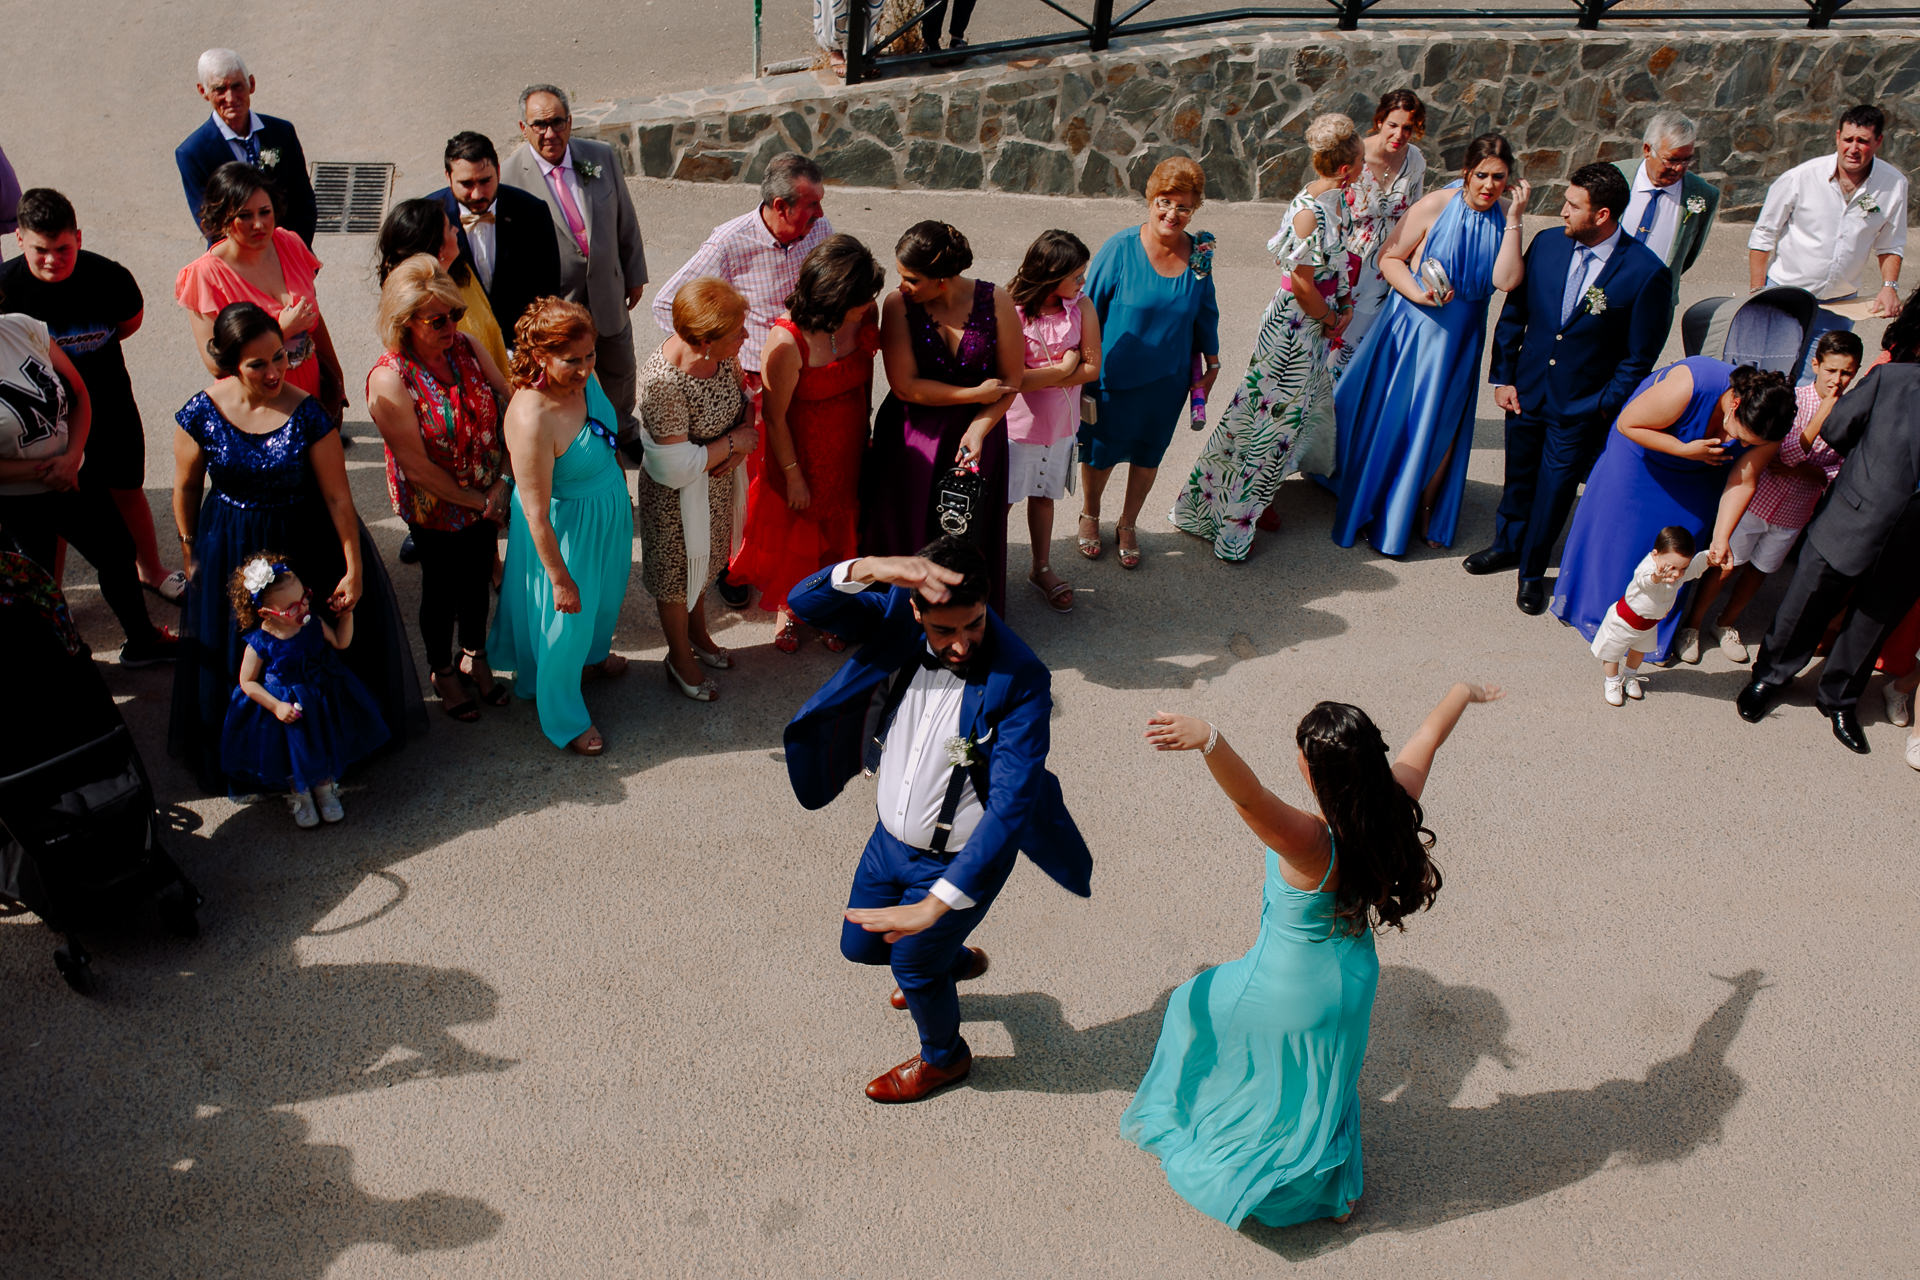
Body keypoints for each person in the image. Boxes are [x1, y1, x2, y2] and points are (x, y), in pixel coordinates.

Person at [1121, 682, 1502, 1228]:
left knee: (1192, 1003)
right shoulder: (1394, 801)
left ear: (1312, 770)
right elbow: (1428, 738)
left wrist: (1210, 740)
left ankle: (1241, 1157)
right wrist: (1463, 692)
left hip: (1287, 984)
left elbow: (1249, 795)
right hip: (1351, 978)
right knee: (1326, 1080)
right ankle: (1335, 1190)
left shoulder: (1308, 840)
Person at [783, 538, 1093, 1102]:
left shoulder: (1022, 678)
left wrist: (938, 902)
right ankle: (950, 956)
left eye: (972, 626)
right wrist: (872, 566)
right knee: (861, 948)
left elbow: (1009, 806)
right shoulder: (896, 620)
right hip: (888, 844)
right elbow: (805, 603)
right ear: (915, 611)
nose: (959, 645)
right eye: (942, 631)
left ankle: (945, 1058)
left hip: (958, 858)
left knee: (913, 966)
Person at [171, 303, 422, 792]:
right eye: (257, 364)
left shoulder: (308, 414)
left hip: (303, 545)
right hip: (231, 546)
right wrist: (188, 550)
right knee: (239, 653)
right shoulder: (201, 412)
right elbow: (184, 487)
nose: (274, 372)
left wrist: (353, 568)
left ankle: (322, 749)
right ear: (229, 363)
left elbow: (338, 498)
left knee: (311, 660)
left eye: (279, 357)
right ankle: (254, 751)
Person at [1467, 161, 1673, 612]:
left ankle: (1532, 572)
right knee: (1518, 477)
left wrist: (1604, 404)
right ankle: (1507, 545)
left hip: (1580, 406)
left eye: (1573, 205)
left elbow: (1639, 355)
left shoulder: (1646, 273)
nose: (1562, 211)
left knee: (1556, 489)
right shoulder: (1546, 246)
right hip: (1526, 391)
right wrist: (1503, 376)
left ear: (1602, 216)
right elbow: (1515, 314)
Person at [1172, 115, 1361, 560]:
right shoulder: (1308, 214)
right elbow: (1301, 283)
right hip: (1293, 331)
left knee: (1279, 421)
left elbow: (1337, 269)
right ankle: (1233, 522)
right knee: (1268, 426)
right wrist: (1333, 319)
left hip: (1314, 326)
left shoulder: (1336, 201)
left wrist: (1345, 306)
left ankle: (1244, 501)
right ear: (1346, 169)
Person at [650, 152, 833, 609]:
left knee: (797, 472)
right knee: (748, 484)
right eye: (810, 205)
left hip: (807, 374)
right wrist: (710, 355)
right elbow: (666, 304)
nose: (821, 214)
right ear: (780, 205)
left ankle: (787, 561)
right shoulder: (729, 242)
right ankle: (735, 565)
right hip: (751, 379)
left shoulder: (822, 233)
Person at [1331, 134, 1528, 556]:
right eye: (1481, 175)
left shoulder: (1508, 216)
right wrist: (1418, 294)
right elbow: (1389, 257)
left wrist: (1517, 219)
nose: (1488, 185)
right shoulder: (1436, 205)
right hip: (1416, 331)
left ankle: (1423, 504)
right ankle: (1381, 503)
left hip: (1463, 337)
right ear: (1466, 173)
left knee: (1446, 427)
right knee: (1402, 420)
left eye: (1499, 177)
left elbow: (1506, 282)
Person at [1738, 313, 1920, 755]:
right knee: (1806, 602)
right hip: (1852, 517)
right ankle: (1771, 676)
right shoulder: (1893, 380)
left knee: (1871, 622)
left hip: (1913, 538)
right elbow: (1837, 432)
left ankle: (1839, 699)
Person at [2, 188, 185, 602]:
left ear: (79, 238)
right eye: (41, 250)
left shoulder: (108, 277)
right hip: (42, 422)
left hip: (110, 403)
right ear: (19, 239)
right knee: (58, 503)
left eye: (63, 248)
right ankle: (56, 591)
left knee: (127, 489)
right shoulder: (5, 291)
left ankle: (150, 569)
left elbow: (129, 322)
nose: (53, 259)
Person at [1550, 360, 1796, 666]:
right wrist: (1683, 449)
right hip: (1642, 458)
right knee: (1618, 539)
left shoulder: (1772, 425)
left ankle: (1648, 630)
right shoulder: (1692, 384)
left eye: (1750, 444)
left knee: (1677, 552)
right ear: (1735, 403)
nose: (1741, 445)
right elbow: (1629, 424)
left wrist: (1721, 539)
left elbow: (1743, 478)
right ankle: (1594, 610)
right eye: (1742, 436)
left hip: (1702, 475)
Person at [365, 255, 512, 722]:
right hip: (436, 508)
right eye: (437, 319)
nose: (451, 325)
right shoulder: (390, 379)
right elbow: (416, 466)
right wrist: (478, 502)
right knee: (442, 589)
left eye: (455, 314)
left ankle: (476, 654)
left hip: (488, 496)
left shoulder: (467, 347)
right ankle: (443, 669)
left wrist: (503, 483)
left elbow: (509, 404)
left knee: (477, 581)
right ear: (404, 322)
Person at [487, 298, 633, 756]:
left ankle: (592, 661)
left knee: (604, 606)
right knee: (564, 627)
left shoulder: (584, 384)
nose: (586, 369)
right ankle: (564, 715)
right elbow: (533, 513)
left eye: (590, 356)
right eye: (572, 361)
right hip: (566, 533)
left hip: (606, 517)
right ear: (540, 357)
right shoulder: (532, 417)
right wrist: (560, 579)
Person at [729, 234, 886, 647]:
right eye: (862, 298)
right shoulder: (786, 341)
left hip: (848, 443)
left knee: (841, 531)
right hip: (799, 452)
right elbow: (775, 419)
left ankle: (836, 604)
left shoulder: (865, 316)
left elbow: (867, 381)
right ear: (835, 299)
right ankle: (792, 606)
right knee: (799, 534)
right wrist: (794, 475)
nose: (870, 303)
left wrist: (866, 436)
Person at [0, 307, 178, 667]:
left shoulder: (23, 326)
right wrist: (43, 470)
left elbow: (79, 393)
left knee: (117, 552)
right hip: (14, 503)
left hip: (73, 477)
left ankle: (142, 638)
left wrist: (72, 456)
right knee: (37, 589)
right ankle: (61, 666)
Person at [863, 221, 1023, 612]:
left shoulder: (996, 300)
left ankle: (963, 612)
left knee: (967, 528)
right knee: (908, 523)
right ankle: (900, 612)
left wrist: (981, 426)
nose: (902, 286)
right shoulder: (898, 306)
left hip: (979, 433)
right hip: (913, 435)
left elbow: (1011, 379)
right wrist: (974, 394)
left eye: (912, 279)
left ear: (943, 280)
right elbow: (905, 386)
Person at [1676, 330, 1861, 664]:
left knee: (1760, 571)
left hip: (1794, 512)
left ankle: (1726, 622)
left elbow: (1842, 469)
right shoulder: (1791, 402)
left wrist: (1813, 473)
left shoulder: (1853, 416)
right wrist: (1823, 414)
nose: (1838, 380)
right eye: (1832, 370)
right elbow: (1785, 456)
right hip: (1758, 502)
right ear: (1816, 365)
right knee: (1725, 566)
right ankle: (1693, 624)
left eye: (1847, 372)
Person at [1078, 157, 1221, 570]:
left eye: (1183, 207)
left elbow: (1204, 311)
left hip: (1168, 380)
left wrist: (1211, 362)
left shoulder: (1199, 254)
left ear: (1194, 211)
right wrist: (1081, 367)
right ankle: (1091, 514)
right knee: (1101, 452)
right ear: (1150, 199)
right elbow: (1088, 310)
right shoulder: (1119, 249)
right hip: (1113, 377)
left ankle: (1128, 523)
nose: (1172, 214)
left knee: (1148, 455)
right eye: (1165, 201)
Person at [633, 278, 758, 702]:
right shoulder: (665, 383)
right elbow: (673, 466)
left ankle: (699, 635)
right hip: (675, 502)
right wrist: (734, 445)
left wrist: (742, 436)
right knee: (675, 580)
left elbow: (746, 401)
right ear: (704, 340)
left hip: (713, 488)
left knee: (701, 571)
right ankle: (679, 657)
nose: (746, 336)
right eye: (737, 331)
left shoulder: (722, 358)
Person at [501, 85, 649, 427]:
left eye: (557, 122)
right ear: (523, 128)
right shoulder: (508, 177)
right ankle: (575, 436)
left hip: (608, 292)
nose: (550, 133)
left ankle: (621, 428)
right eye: (539, 124)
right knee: (564, 374)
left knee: (619, 367)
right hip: (557, 301)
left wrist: (634, 273)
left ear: (570, 122)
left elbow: (624, 217)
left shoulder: (599, 157)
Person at [221, 554, 389, 828]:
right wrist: (276, 706)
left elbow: (340, 642)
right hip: (284, 702)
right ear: (266, 613)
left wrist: (346, 615)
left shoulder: (312, 624)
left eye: (304, 600)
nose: (302, 609)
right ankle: (300, 796)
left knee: (322, 741)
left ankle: (325, 789)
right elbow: (247, 682)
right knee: (294, 751)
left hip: (319, 695)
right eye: (291, 608)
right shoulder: (260, 641)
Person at [1749, 103, 1908, 380]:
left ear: (1878, 141)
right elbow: (1763, 234)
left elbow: (1891, 244)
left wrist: (1889, 287)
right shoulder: (1800, 178)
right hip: (1786, 294)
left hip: (1839, 305)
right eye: (1848, 139)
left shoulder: (1894, 184)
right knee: (1769, 376)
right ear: (1837, 137)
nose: (1853, 148)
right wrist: (1757, 291)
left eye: (1863, 141)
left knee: (1820, 382)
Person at [176, 163, 346, 421]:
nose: (258, 224)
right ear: (222, 219)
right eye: (244, 216)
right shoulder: (204, 276)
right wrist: (279, 331)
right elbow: (215, 363)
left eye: (265, 212)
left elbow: (313, 317)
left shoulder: (288, 242)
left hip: (310, 391)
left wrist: (336, 376)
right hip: (258, 405)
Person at [1004, 230, 1100, 611]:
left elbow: (1093, 369)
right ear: (1049, 274)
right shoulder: (1009, 311)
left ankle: (1040, 567)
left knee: (1044, 499)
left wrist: (1051, 372)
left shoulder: (1081, 307)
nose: (1082, 282)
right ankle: (988, 568)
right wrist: (1064, 366)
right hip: (1016, 430)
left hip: (1061, 428)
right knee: (1002, 503)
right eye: (1076, 275)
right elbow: (1011, 379)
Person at [1326, 90, 1427, 388]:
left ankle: (1340, 411)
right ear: (1379, 121)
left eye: (1407, 127)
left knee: (1355, 349)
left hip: (1384, 270)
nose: (1399, 134)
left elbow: (1416, 213)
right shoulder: (1354, 156)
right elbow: (1329, 210)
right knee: (1328, 337)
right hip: (1346, 264)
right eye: (1393, 125)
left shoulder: (1416, 161)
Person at [175, 49, 318, 246]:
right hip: (235, 266)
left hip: (289, 258)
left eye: (237, 86)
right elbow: (210, 224)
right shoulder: (194, 152)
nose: (231, 98)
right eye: (219, 90)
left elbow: (303, 201)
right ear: (203, 92)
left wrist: (297, 254)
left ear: (251, 84)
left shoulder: (281, 133)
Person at [431, 131, 563, 343]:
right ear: (448, 177)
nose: (477, 194)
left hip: (521, 345)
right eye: (466, 184)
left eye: (485, 181)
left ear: (499, 172)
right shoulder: (430, 218)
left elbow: (548, 291)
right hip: (456, 347)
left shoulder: (531, 211)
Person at [375, 197, 511, 375]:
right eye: (449, 227)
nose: (456, 229)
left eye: (456, 314)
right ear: (439, 249)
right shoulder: (417, 304)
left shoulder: (463, 275)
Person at [1587, 526, 1712, 706]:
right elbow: (1644, 581)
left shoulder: (1677, 574)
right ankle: (1612, 680)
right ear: (1655, 555)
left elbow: (1694, 568)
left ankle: (1630, 675)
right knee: (1612, 652)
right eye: (1673, 567)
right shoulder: (1648, 568)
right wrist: (1657, 577)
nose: (1677, 574)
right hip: (1624, 621)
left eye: (1682, 568)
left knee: (1639, 652)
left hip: (1648, 625)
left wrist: (1708, 557)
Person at [1615, 112, 1720, 315]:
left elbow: (1688, 254)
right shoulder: (1616, 175)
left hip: (1654, 303)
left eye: (1686, 160)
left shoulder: (1703, 195)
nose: (1678, 168)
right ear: (1647, 150)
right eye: (1671, 160)